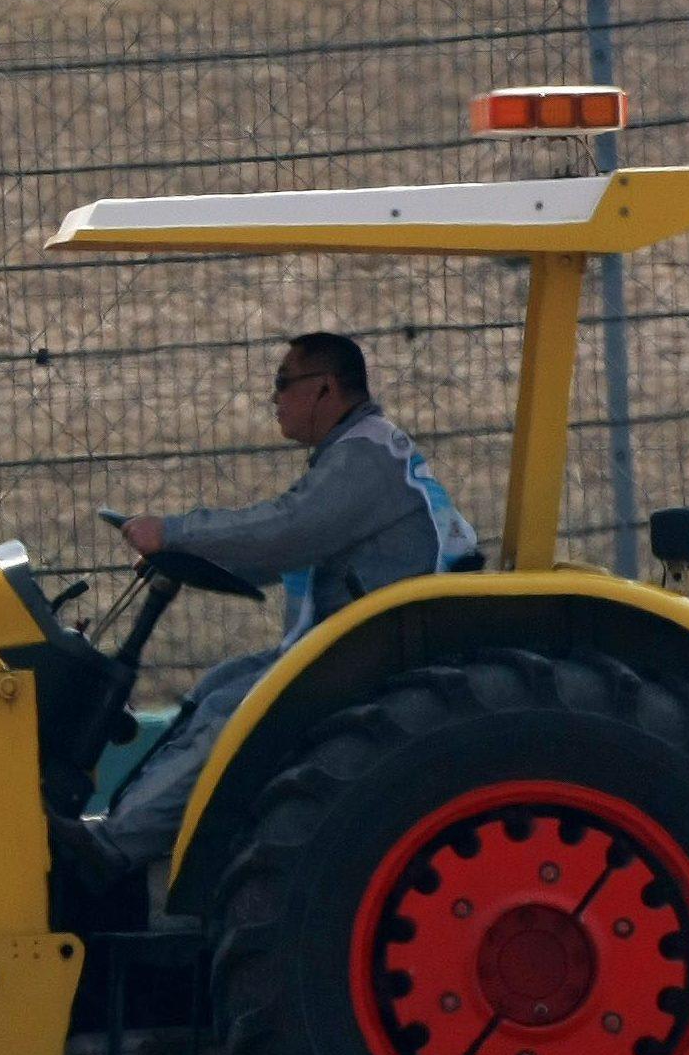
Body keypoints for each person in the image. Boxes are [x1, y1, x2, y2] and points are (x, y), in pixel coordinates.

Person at [67, 332, 481, 884]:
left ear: (325, 388)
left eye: (283, 384)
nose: (275, 399)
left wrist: (175, 532)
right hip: (365, 644)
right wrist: (190, 551)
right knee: (218, 685)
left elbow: (286, 531)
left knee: (232, 712)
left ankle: (112, 848)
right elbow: (281, 545)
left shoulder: (365, 457)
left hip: (382, 653)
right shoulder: (356, 453)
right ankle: (130, 828)